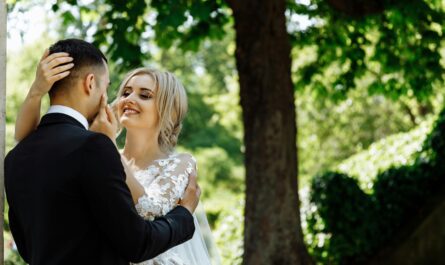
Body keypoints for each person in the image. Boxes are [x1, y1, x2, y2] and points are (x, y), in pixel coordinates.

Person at [14, 40, 220, 264]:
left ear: (167, 110)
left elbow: (151, 208)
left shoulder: (180, 163)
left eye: (145, 95)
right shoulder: (97, 150)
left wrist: (107, 143)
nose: (129, 99)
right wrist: (36, 92)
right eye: (126, 92)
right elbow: (29, 139)